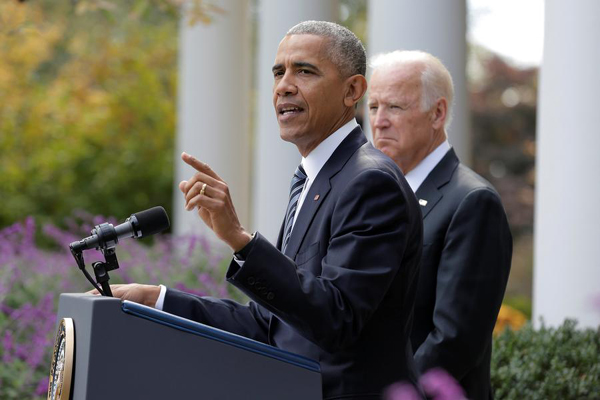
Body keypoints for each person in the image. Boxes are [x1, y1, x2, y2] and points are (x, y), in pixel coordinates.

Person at [100, 22, 423, 399]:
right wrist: (154, 299)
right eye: (278, 72)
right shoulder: (313, 178)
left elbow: (337, 319)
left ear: (352, 90)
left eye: (304, 70)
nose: (284, 85)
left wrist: (240, 239)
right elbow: (272, 325)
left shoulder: (371, 182)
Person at [367, 50, 512, 400]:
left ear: (438, 113)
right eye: (373, 107)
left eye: (395, 107)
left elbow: (454, 340)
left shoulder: (473, 202)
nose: (379, 121)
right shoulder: (370, 197)